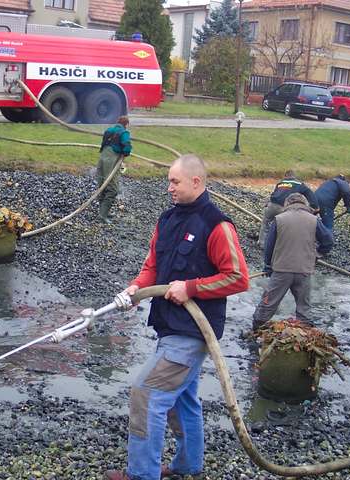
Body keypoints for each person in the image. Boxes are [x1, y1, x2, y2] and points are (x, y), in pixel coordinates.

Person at [105, 154, 250, 480]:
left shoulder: (217, 225)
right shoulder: (167, 220)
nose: (169, 187)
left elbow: (238, 277)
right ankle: (188, 465)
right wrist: (136, 289)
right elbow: (152, 266)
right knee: (181, 399)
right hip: (169, 327)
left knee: (146, 394)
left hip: (193, 332)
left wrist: (191, 288)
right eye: (169, 181)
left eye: (175, 181)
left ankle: (141, 474)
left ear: (196, 182)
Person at [252, 193, 333, 330]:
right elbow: (328, 241)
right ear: (305, 204)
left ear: (287, 204)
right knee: (304, 308)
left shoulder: (279, 219)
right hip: (304, 271)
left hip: (281, 271)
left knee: (268, 303)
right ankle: (304, 333)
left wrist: (267, 265)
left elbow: (269, 246)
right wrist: (317, 254)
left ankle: (256, 330)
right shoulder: (314, 220)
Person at [258, 170, 318, 248]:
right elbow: (310, 195)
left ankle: (262, 243)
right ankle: (283, 246)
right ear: (294, 177)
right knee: (286, 226)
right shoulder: (299, 184)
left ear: (285, 176)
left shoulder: (280, 183)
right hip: (285, 208)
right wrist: (315, 207)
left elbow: (274, 194)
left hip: (272, 205)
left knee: (266, 223)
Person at [97, 116, 132, 223]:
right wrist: (126, 152)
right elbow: (127, 146)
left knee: (102, 185)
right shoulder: (124, 133)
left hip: (102, 159)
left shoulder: (109, 130)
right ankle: (102, 216)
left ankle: (103, 211)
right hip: (112, 162)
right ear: (126, 124)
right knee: (112, 189)